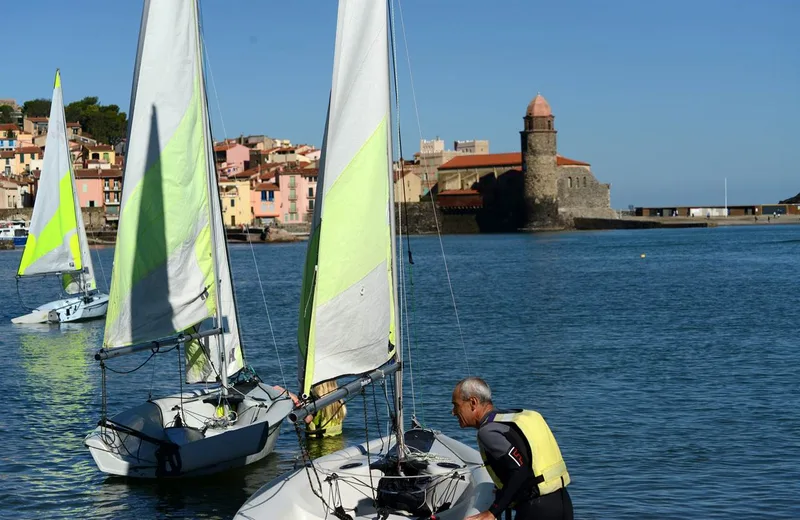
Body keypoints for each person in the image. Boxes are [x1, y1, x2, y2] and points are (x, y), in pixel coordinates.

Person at [452, 377, 573, 520]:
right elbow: (526, 462)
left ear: (473, 402)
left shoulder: (488, 432)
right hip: (563, 501)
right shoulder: (515, 418)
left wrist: (492, 512)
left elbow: (519, 470)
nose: (453, 412)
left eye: (456, 405)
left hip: (537, 509)